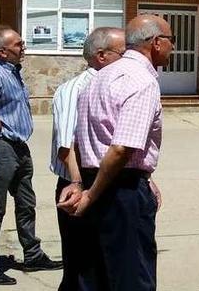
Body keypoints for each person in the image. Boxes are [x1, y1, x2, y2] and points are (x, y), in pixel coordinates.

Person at [60, 15, 174, 290]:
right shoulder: (141, 81)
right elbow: (122, 147)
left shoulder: (99, 77)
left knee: (94, 276)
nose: (173, 47)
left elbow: (83, 138)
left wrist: (82, 186)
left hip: (95, 182)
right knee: (131, 278)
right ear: (157, 43)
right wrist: (92, 195)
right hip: (117, 191)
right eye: (172, 40)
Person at [0, 27, 62, 285]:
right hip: (1, 147)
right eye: (18, 44)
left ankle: (33, 254)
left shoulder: (12, 72)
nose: (23, 47)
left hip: (18, 146)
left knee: (26, 202)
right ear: (3, 51)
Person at [50, 27, 125, 290]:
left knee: (103, 267)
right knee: (82, 269)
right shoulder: (76, 89)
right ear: (102, 56)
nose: (128, 60)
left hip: (101, 183)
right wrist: (79, 184)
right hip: (78, 185)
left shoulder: (113, 86)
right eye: (123, 53)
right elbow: (66, 146)